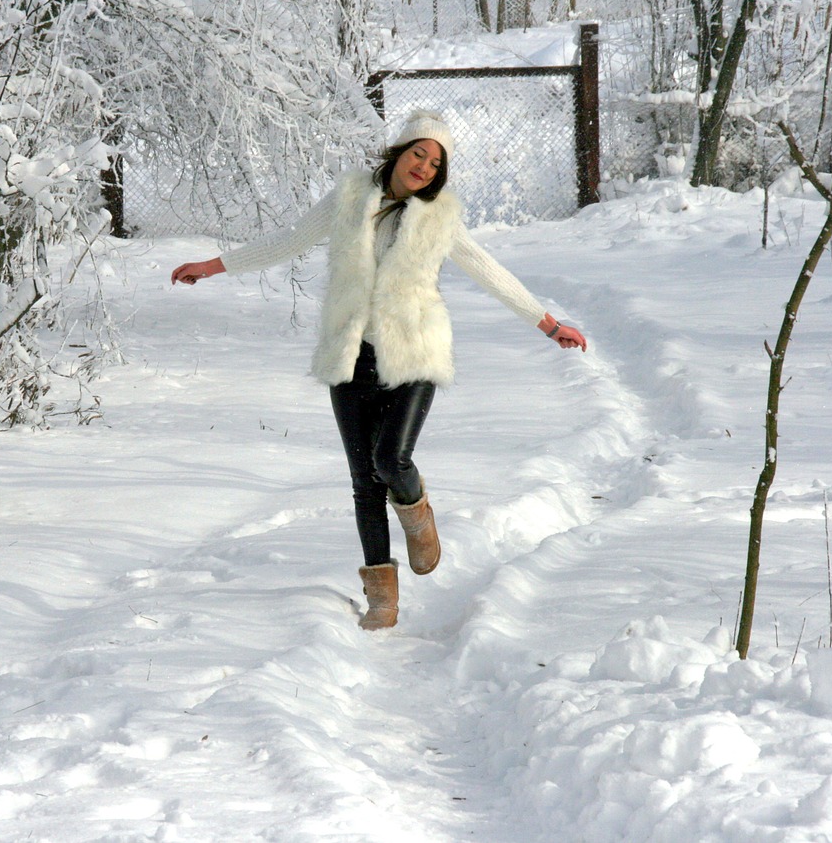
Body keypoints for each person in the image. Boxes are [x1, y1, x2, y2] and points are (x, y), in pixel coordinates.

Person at [170, 110, 587, 632]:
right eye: (420, 153)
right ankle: (382, 598)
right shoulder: (349, 199)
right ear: (401, 150)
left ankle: (417, 512)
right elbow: (288, 241)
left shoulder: (440, 219)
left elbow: (487, 270)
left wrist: (548, 324)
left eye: (437, 163)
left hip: (414, 352)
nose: (426, 167)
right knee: (364, 482)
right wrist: (212, 266)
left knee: (391, 458)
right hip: (351, 354)